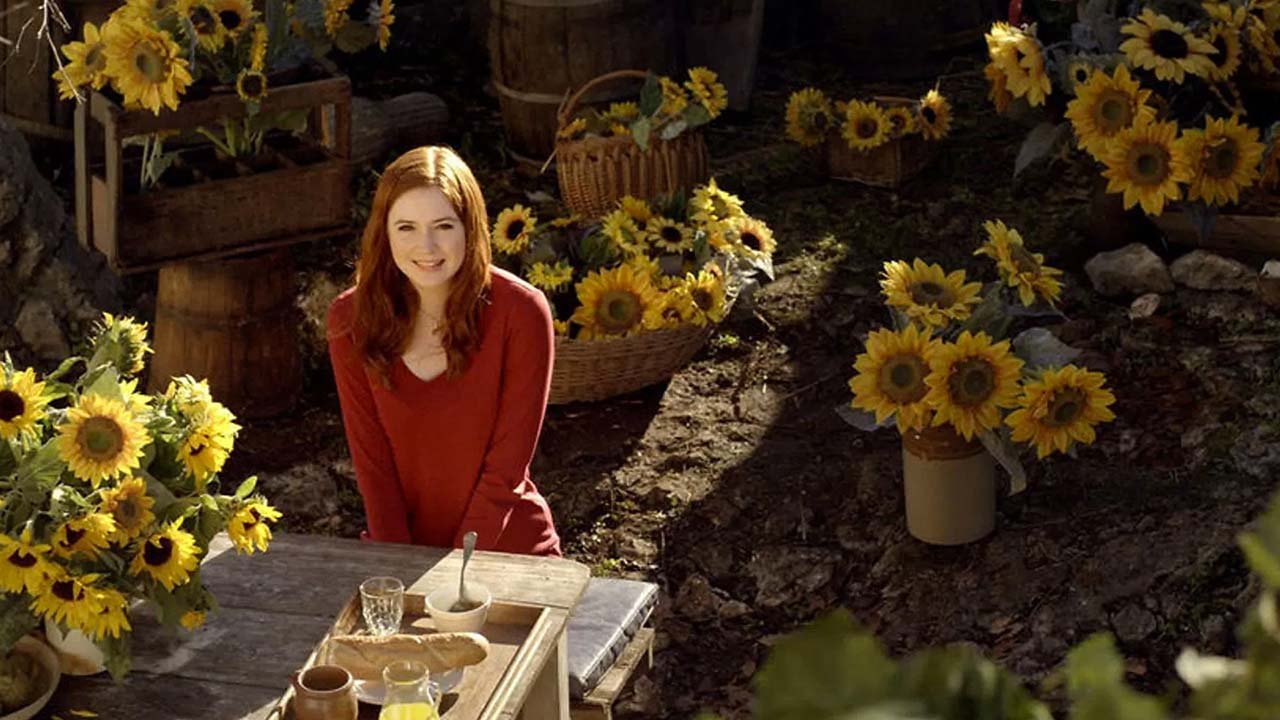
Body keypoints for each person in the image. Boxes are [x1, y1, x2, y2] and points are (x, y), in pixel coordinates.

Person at [326, 146, 561, 556]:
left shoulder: (521, 312)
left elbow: (505, 471)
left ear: (470, 226)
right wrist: (398, 565)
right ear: (383, 232)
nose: (428, 246)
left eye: (444, 226)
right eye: (406, 228)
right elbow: (372, 466)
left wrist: (457, 571)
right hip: (401, 551)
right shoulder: (350, 319)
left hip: (509, 552)